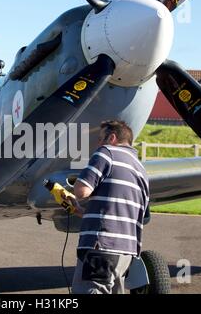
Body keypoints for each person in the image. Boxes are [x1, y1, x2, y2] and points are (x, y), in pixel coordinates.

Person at [69, 120, 150, 294]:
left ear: (112, 138)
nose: (98, 143)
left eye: (100, 139)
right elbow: (129, 213)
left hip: (101, 247)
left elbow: (82, 191)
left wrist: (72, 190)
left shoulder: (106, 153)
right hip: (127, 252)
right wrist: (83, 213)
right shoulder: (141, 168)